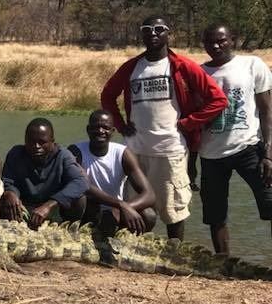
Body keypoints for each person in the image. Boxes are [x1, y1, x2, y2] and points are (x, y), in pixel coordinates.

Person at [100, 15, 227, 240]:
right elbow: (108, 95)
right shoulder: (132, 67)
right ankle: (133, 251)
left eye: (159, 29)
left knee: (173, 212)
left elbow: (218, 100)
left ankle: (175, 253)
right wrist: (120, 124)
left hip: (170, 150)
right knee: (136, 209)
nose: (153, 33)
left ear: (169, 33)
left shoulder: (182, 66)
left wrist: (189, 123)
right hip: (136, 151)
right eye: (147, 29)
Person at [190, 23, 272, 254]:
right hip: (211, 155)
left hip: (249, 148)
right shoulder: (198, 73)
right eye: (210, 42)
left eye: (221, 40)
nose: (216, 46)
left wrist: (269, 154)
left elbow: (267, 111)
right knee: (215, 216)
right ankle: (223, 265)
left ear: (233, 40)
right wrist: (191, 162)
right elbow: (193, 123)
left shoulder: (252, 64)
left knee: (270, 202)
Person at [68, 110, 156, 235]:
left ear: (113, 131)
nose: (100, 131)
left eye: (106, 128)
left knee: (149, 215)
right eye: (96, 127)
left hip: (116, 211)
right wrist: (120, 204)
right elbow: (83, 186)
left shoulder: (123, 154)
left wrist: (126, 207)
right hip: (90, 209)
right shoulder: (75, 151)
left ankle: (130, 242)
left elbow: (149, 195)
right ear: (88, 129)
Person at [0, 118, 88, 229]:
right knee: (5, 197)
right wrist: (11, 192)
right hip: (24, 206)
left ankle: (68, 227)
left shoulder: (63, 156)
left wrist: (49, 205)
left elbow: (81, 182)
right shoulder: (16, 154)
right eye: (31, 141)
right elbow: (8, 180)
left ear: (52, 141)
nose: (36, 146)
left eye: (42, 142)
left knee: (80, 198)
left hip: (54, 207)